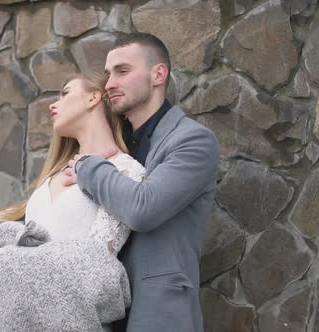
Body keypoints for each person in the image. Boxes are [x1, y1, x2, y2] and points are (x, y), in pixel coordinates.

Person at [0, 73, 146, 332]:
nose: (52, 104)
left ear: (93, 98)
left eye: (65, 92)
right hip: (22, 315)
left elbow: (98, 257)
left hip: (72, 315)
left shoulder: (125, 171)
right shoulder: (53, 174)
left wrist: (6, 264)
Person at [65, 33, 220, 332]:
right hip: (100, 314)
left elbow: (142, 208)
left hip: (158, 313)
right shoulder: (113, 142)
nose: (109, 83)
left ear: (158, 74)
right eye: (109, 74)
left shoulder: (194, 141)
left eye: (122, 71)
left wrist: (87, 167)